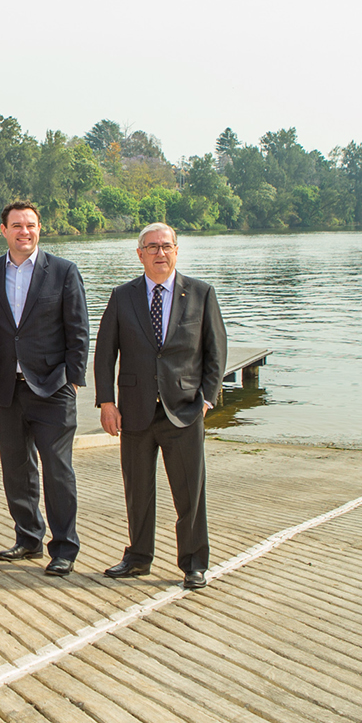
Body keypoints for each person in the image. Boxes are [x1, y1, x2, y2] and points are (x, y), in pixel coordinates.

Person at [94, 223, 223, 590]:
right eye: (151, 247)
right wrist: (107, 402)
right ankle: (138, 558)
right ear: (140, 254)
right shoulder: (122, 296)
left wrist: (208, 397)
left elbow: (216, 351)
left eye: (166, 246)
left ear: (177, 250)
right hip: (133, 412)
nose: (159, 253)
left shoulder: (200, 293)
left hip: (183, 410)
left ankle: (194, 563)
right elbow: (105, 354)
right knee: (137, 491)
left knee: (190, 493)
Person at [0, 200, 89, 576]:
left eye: (31, 225)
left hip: (53, 387)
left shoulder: (63, 271)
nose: (25, 231)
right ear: (3, 230)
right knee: (17, 469)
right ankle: (28, 539)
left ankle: (64, 548)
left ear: (40, 228)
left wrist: (73, 379)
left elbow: (78, 330)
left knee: (58, 471)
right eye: (17, 226)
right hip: (8, 388)